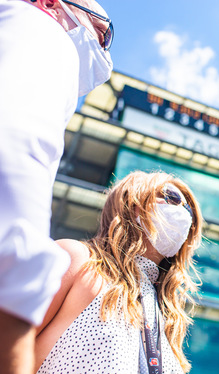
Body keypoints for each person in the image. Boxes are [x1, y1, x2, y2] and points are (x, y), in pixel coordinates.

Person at [0, 0, 112, 373]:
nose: (103, 53)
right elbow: (14, 154)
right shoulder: (45, 33)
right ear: (51, 4)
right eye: (101, 33)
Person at [34, 171, 203, 373]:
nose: (183, 212)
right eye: (172, 197)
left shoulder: (165, 317)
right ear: (132, 204)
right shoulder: (78, 259)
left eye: (189, 212)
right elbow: (9, 336)